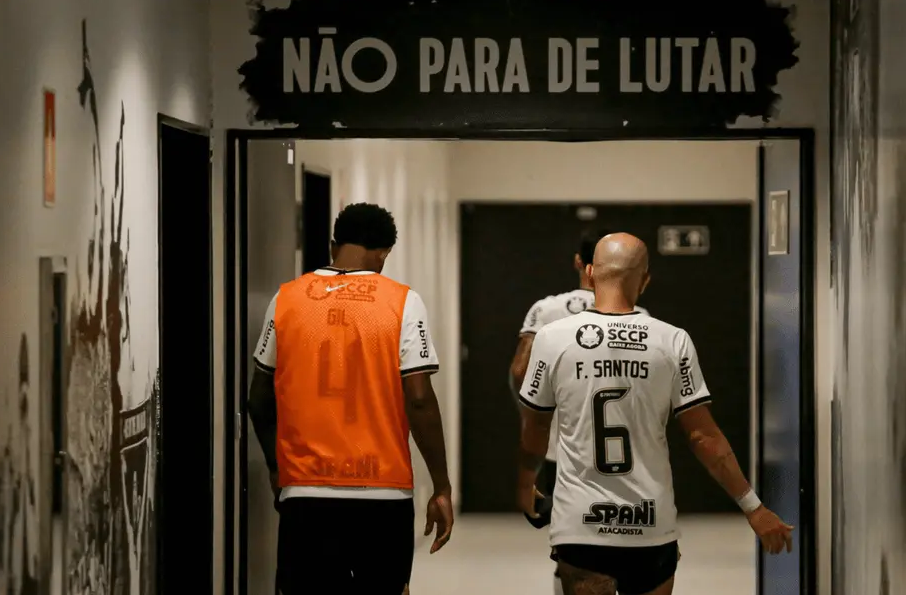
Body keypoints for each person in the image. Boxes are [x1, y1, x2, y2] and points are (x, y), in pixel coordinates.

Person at [515, 233, 793, 595]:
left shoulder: (552, 337)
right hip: (650, 527)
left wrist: (524, 485)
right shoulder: (672, 340)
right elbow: (703, 436)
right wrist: (753, 508)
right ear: (645, 281)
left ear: (589, 273)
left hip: (581, 527)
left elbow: (536, 424)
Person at [248, 202, 454, 595]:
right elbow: (420, 399)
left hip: (305, 493)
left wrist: (278, 468)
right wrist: (441, 486)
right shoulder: (403, 302)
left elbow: (259, 399)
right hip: (383, 493)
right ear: (384, 253)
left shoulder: (285, 299)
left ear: (332, 245)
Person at [509, 228, 648, 594]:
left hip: (563, 450)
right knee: (628, 537)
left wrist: (538, 414)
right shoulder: (641, 315)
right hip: (625, 451)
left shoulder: (546, 308)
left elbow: (520, 371)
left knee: (572, 544)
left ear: (579, 263)